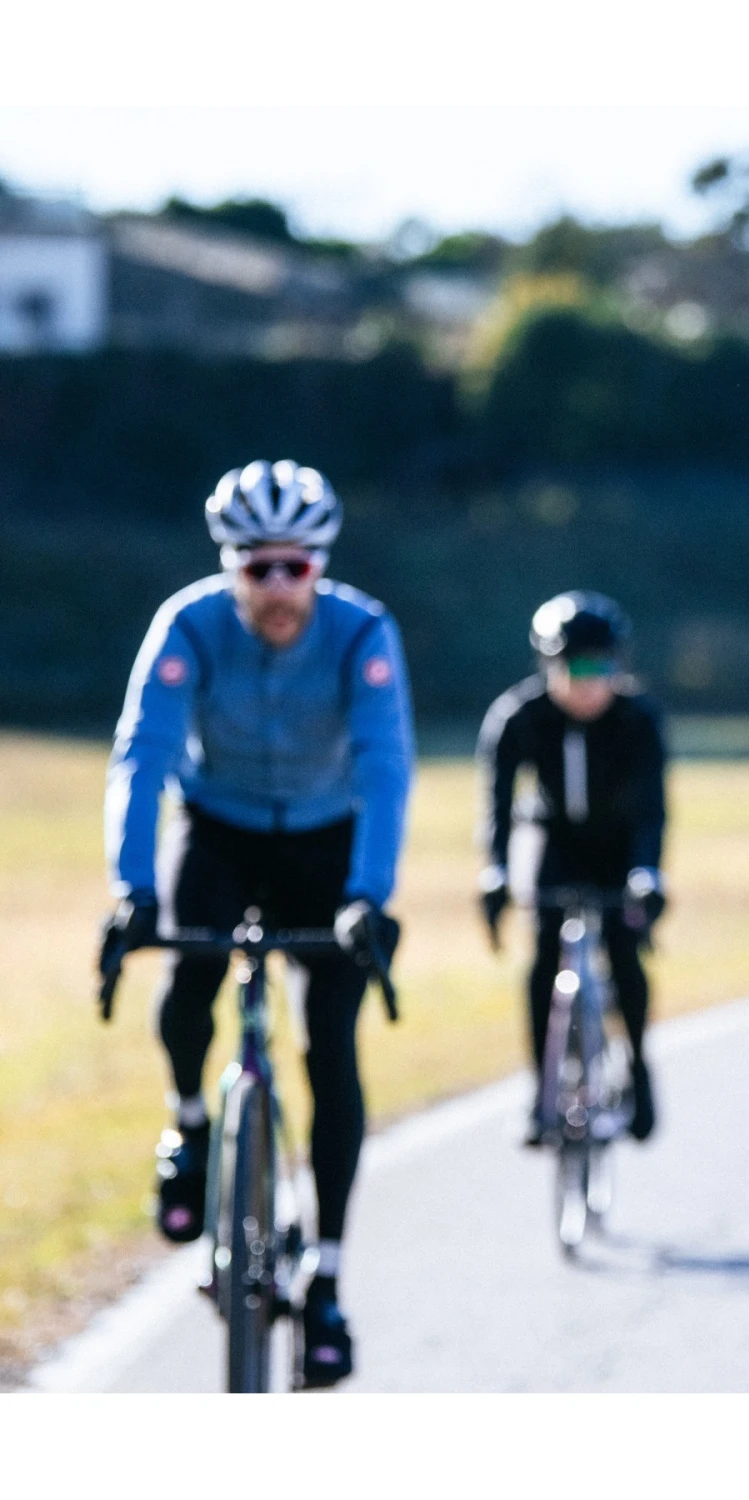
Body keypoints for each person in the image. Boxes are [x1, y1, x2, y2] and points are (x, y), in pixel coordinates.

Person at [99, 458, 413, 1388]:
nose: (278, 587)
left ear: (321, 565)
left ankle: (328, 1280)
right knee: (186, 980)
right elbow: (143, 756)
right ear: (230, 565)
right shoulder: (187, 626)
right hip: (220, 830)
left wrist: (368, 896)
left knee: (330, 1046)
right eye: (257, 566)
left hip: (326, 842)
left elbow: (385, 766)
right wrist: (131, 890)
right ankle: (191, 1124)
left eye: (296, 567)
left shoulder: (363, 633)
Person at [476, 591, 667, 1145]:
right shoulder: (518, 717)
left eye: (603, 668)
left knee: (626, 953)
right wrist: (496, 871)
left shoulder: (639, 719)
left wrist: (647, 873)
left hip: (618, 844)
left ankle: (638, 1066)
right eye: (577, 669)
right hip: (552, 840)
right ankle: (541, 1088)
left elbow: (653, 810)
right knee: (543, 957)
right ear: (549, 666)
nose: (590, 683)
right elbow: (496, 805)